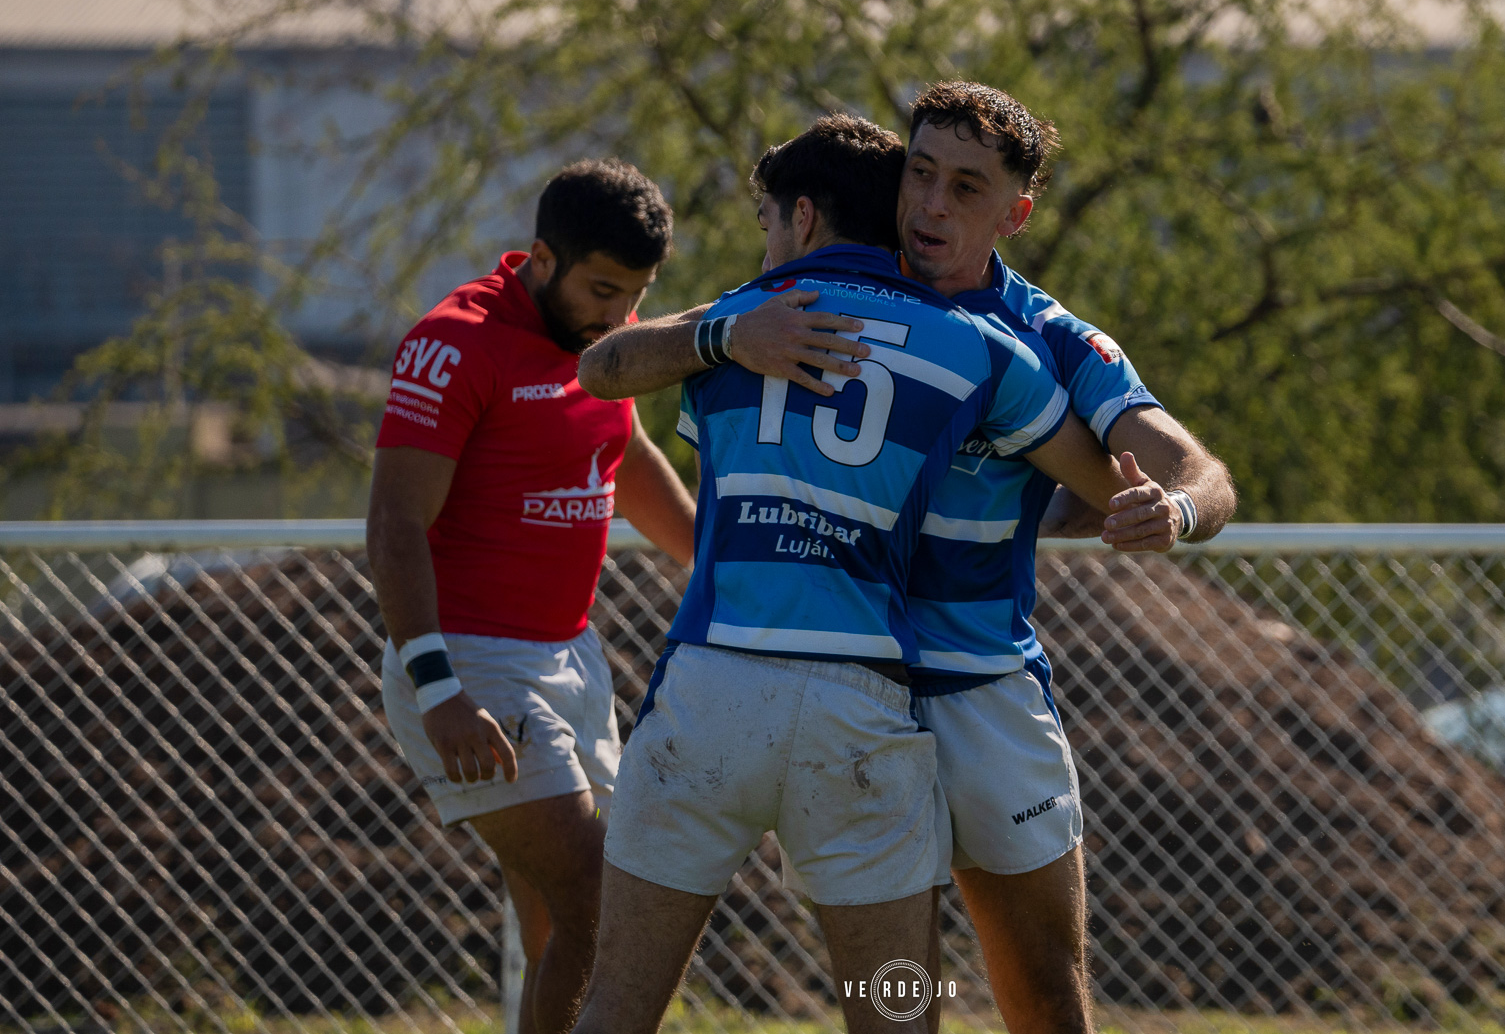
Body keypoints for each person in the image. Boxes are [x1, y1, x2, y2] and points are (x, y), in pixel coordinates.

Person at [579, 84, 1235, 1034]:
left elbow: (1195, 469)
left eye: (966, 188)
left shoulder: (1041, 337)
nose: (931, 205)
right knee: (898, 1005)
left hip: (974, 687)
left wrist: (1168, 508)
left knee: (1045, 997)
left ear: (1018, 212)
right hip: (854, 694)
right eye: (919, 174)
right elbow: (624, 361)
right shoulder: (798, 302)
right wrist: (721, 335)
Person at [366, 159, 697, 1034]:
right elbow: (395, 525)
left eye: (635, 295)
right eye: (601, 289)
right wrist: (439, 689)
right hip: (474, 668)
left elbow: (625, 465)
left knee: (558, 930)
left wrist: (726, 562)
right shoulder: (457, 341)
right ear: (542, 259)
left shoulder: (598, 350)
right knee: (606, 896)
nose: (618, 317)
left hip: (572, 660)